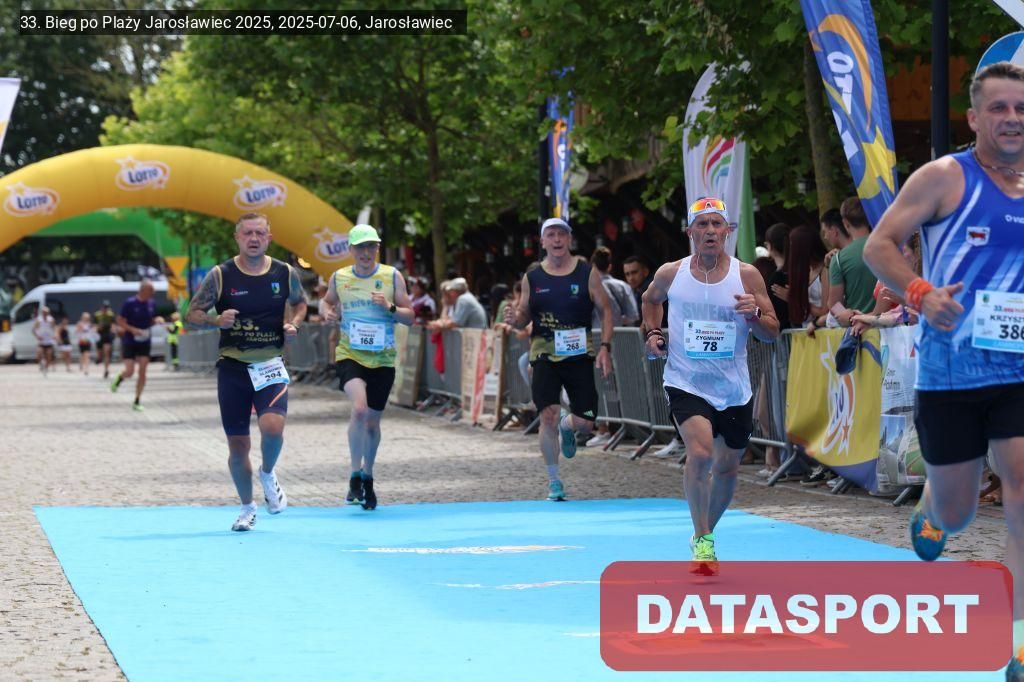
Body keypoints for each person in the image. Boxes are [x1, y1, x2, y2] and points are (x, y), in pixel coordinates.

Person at [862, 61, 1024, 680]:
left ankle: (1018, 643)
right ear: (974, 118)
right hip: (951, 372)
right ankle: (933, 508)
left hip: (1016, 369)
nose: (1012, 119)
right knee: (959, 513)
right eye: (999, 108)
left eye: (1021, 109)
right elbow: (878, 246)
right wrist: (921, 292)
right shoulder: (945, 178)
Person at [643, 197, 779, 573]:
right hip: (685, 380)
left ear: (727, 231)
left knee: (728, 468)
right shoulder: (671, 273)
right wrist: (653, 333)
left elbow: (772, 332)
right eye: (701, 225)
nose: (709, 231)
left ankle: (704, 532)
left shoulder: (747, 275)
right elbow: (650, 300)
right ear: (690, 232)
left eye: (716, 224)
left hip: (733, 388)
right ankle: (704, 541)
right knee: (701, 454)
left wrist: (755, 315)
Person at [187, 212, 307, 531]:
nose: (254, 238)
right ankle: (247, 507)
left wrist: (293, 324)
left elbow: (300, 303)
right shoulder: (220, 274)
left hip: (269, 364)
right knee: (238, 447)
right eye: (248, 233)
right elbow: (192, 313)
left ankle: (267, 473)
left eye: (260, 233)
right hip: (233, 369)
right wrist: (216, 320)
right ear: (238, 238)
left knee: (272, 428)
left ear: (269, 238)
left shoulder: (284, 272)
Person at [505, 217, 613, 501]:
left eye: (561, 234)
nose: (556, 240)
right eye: (551, 235)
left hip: (579, 354)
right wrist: (515, 319)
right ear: (542, 242)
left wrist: (605, 347)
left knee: (586, 422)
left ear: (569, 239)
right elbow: (523, 316)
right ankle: (554, 481)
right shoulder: (532, 277)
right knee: (547, 415)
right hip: (544, 354)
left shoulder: (587, 272)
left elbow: (606, 310)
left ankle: (569, 425)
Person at [320, 224, 413, 511]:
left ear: (377, 248)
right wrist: (327, 312)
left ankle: (368, 475)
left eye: (371, 246)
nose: (365, 252)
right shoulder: (340, 277)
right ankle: (354, 474)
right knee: (359, 409)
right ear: (351, 250)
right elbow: (326, 302)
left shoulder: (392, 276)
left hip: (382, 359)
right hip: (350, 354)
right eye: (360, 247)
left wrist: (390, 307)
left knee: (372, 422)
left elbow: (410, 317)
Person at [826, 197, 877, 326]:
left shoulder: (838, 259)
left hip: (858, 329)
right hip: (894, 326)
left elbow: (833, 304)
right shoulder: (889, 247)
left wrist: (850, 318)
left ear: (845, 222)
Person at [110, 280, 157, 411]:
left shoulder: (152, 303)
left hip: (145, 341)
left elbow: (151, 320)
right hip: (130, 340)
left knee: (142, 371)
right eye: (151, 290)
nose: (153, 292)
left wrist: (157, 320)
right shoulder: (130, 303)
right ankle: (120, 378)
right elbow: (120, 321)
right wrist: (132, 330)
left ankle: (137, 400)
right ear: (143, 290)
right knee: (130, 371)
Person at [623, 255, 653, 324]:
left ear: (645, 272)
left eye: (634, 272)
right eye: (627, 274)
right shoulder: (634, 291)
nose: (631, 278)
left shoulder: (651, 290)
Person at [94, 300, 116, 379]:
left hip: (107, 335)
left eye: (107, 308)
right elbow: (94, 325)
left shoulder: (111, 315)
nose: (105, 309)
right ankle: (99, 358)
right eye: (104, 307)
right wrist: (98, 328)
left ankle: (106, 370)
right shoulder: (97, 315)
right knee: (100, 354)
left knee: (107, 353)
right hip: (99, 335)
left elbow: (113, 325)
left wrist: (113, 332)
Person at [33, 306, 56, 375]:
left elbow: (54, 328)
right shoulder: (39, 320)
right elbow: (33, 329)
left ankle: (46, 367)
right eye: (43, 312)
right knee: (39, 353)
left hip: (49, 340)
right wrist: (38, 336)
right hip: (41, 341)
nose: (45, 313)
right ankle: (41, 364)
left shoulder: (51, 319)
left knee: (49, 354)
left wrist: (54, 335)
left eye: (46, 312)